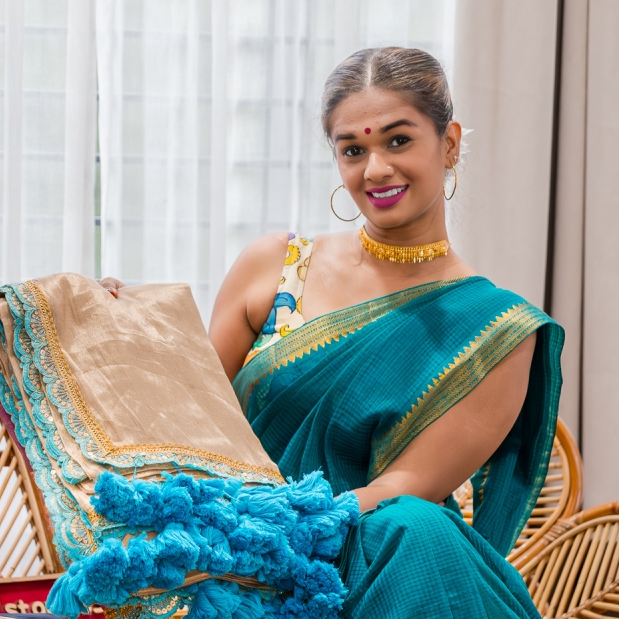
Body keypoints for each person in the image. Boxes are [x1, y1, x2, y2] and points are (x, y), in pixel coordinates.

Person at [103, 47, 563, 618]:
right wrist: (119, 332)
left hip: (361, 558)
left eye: (398, 141)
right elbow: (187, 415)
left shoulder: (497, 330)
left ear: (448, 144)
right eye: (353, 150)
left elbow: (407, 485)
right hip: (220, 545)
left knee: (414, 528)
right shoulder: (277, 266)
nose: (375, 169)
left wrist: (279, 527)